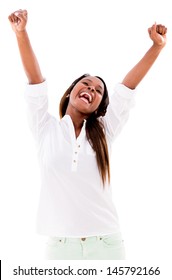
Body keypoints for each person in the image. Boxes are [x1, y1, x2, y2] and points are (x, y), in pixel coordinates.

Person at [8, 9, 167, 260]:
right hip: (60, 247)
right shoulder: (45, 128)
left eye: (98, 91)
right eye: (86, 84)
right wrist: (21, 32)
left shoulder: (105, 131)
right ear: (72, 90)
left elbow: (127, 88)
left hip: (107, 245)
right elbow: (35, 81)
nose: (91, 90)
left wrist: (157, 48)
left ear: (99, 105)